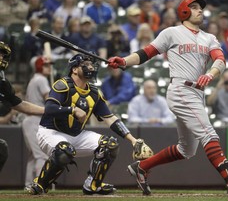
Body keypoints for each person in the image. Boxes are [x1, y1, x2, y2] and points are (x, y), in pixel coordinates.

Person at [108, 0, 228, 197]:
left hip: (197, 93)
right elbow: (146, 53)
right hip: (181, 89)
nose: (200, 11)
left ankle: (142, 167)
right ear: (184, 12)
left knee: (187, 149)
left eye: (201, 8)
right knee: (209, 134)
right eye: (195, 7)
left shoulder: (209, 38)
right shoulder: (172, 33)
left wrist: (210, 74)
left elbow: (220, 60)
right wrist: (123, 62)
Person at [25, 53, 141, 195]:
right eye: (86, 64)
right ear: (74, 69)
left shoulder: (94, 92)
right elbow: (49, 109)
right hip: (50, 131)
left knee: (110, 145)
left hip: (76, 134)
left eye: (92, 65)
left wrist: (133, 140)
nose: (91, 67)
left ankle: (93, 184)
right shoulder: (62, 84)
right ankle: (40, 185)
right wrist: (72, 110)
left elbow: (110, 118)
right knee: (64, 150)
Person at [0, 42, 44, 172]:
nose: (1, 57)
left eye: (3, 55)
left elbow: (19, 104)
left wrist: (47, 111)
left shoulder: (2, 82)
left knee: (1, 149)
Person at [22, 56, 53, 188]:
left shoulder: (35, 79)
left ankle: (29, 185)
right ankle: (41, 184)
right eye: (46, 65)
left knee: (33, 156)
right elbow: (49, 99)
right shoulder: (41, 79)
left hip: (31, 120)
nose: (49, 67)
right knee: (41, 155)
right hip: (35, 119)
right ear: (39, 66)